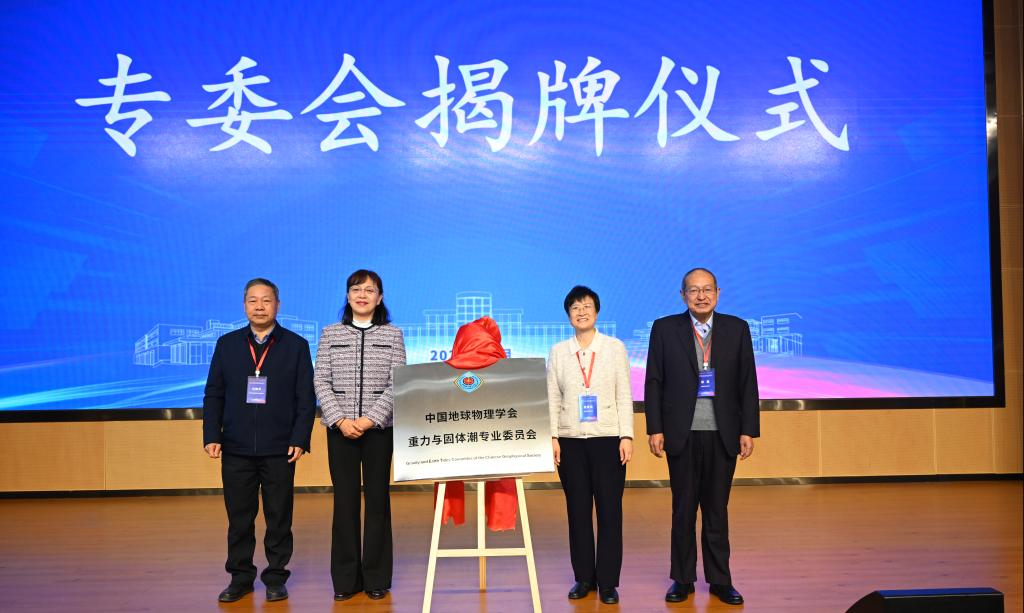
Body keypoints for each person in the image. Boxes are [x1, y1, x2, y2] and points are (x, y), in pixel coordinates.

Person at [644, 268, 760, 606]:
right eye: (694, 290)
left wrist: (748, 429)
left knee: (716, 510)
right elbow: (654, 381)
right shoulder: (664, 329)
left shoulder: (737, 329)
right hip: (681, 433)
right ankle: (682, 579)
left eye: (707, 289)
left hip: (723, 433)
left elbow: (748, 382)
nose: (701, 296)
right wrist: (655, 428)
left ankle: (720, 580)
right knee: (683, 510)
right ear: (683, 295)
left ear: (718, 293)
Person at [202, 278, 316, 603]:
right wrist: (212, 434)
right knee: (239, 518)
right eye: (253, 300)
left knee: (279, 517)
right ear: (244, 305)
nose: (260, 306)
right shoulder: (227, 344)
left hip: (280, 448)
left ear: (278, 305)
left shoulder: (295, 345)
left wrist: (300, 437)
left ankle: (276, 577)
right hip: (236, 447)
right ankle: (240, 578)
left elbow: (305, 397)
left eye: (266, 300)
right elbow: (214, 393)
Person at [314, 269, 406, 602]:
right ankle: (345, 579)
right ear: (348, 295)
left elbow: (397, 383)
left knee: (378, 501)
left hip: (378, 430)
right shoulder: (330, 333)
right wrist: (340, 420)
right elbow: (321, 380)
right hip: (340, 430)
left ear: (379, 298)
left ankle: (376, 577)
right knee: (345, 502)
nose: (362, 295)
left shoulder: (393, 334)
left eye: (369, 290)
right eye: (356, 289)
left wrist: (369, 420)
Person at [547, 286, 633, 605]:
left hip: (608, 439)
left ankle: (608, 582)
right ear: (568, 315)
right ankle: (584, 578)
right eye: (575, 307)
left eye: (586, 306)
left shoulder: (614, 347)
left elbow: (624, 393)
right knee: (578, 512)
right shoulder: (559, 351)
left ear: (596, 311)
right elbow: (552, 397)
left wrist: (627, 436)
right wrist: (553, 436)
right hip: (570, 441)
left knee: (610, 512)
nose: (581, 311)